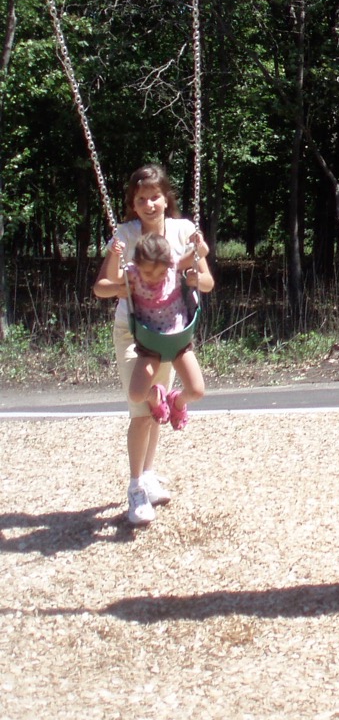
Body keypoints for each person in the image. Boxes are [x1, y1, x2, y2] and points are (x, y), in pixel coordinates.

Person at [93, 164, 214, 527]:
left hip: (172, 333)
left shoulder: (183, 230)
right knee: (140, 407)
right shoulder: (125, 235)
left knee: (156, 408)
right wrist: (130, 285)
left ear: (166, 198)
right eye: (141, 199)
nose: (149, 204)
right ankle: (135, 488)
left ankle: (148, 475)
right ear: (133, 203)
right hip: (135, 333)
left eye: (155, 197)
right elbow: (102, 287)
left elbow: (206, 281)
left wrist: (194, 270)